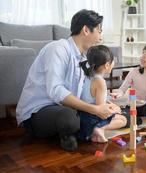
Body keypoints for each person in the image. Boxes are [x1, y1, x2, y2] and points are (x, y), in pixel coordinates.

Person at [16, 9, 116, 151]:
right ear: (86, 30)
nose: (100, 38)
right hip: (37, 112)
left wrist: (104, 104)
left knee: (106, 113)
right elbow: (56, 91)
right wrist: (94, 109)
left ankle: (69, 131)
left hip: (62, 108)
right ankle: (67, 132)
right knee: (70, 118)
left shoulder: (83, 57)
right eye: (99, 31)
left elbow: (81, 94)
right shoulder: (58, 49)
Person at [78, 45, 127, 143]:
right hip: (92, 117)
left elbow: (91, 97)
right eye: (113, 61)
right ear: (107, 65)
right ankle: (99, 128)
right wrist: (115, 109)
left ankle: (96, 128)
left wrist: (108, 99)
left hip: (82, 114)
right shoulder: (100, 82)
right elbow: (100, 109)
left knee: (118, 113)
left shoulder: (87, 76)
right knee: (123, 120)